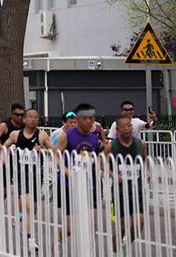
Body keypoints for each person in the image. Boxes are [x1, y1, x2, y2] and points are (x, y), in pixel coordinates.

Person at [3, 109, 53, 251]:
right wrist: (4, 156)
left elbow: (53, 150)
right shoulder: (15, 134)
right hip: (20, 174)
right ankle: (31, 240)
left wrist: (42, 150)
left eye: (36, 117)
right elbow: (4, 146)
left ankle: (20, 222)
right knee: (27, 206)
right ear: (24, 119)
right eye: (30, 117)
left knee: (33, 209)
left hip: (36, 174)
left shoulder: (42, 135)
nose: (33, 119)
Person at [54, 103, 103, 234]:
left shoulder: (93, 138)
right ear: (78, 119)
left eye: (91, 118)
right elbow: (55, 154)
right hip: (67, 183)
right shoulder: (67, 135)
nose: (88, 121)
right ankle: (59, 240)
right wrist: (65, 170)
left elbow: (97, 158)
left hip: (88, 182)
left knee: (91, 219)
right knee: (69, 228)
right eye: (84, 118)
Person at [103, 116, 147, 253]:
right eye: (123, 126)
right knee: (121, 227)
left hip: (137, 189)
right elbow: (101, 162)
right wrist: (112, 174)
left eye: (129, 125)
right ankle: (115, 253)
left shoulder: (141, 144)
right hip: (120, 191)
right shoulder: (112, 146)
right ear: (117, 129)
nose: (127, 128)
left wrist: (146, 172)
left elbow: (145, 160)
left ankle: (125, 244)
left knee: (139, 224)